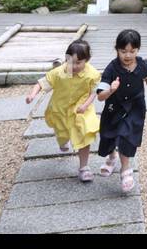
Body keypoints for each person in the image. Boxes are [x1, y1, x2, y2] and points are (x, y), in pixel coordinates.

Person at [25, 39, 100, 182]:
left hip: (81, 108)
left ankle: (84, 168)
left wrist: (85, 105)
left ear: (87, 60)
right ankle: (63, 140)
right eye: (71, 62)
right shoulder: (60, 72)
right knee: (63, 132)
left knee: (84, 133)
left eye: (79, 62)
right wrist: (32, 95)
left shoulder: (93, 74)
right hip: (61, 109)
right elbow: (41, 83)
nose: (74, 66)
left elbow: (94, 92)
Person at [95, 29, 147, 194]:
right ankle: (112, 157)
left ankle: (126, 171)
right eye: (123, 51)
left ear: (137, 50)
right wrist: (111, 90)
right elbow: (100, 97)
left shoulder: (141, 64)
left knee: (126, 136)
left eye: (132, 51)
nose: (128, 55)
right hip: (114, 108)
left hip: (135, 108)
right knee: (109, 136)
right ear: (117, 50)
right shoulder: (112, 68)